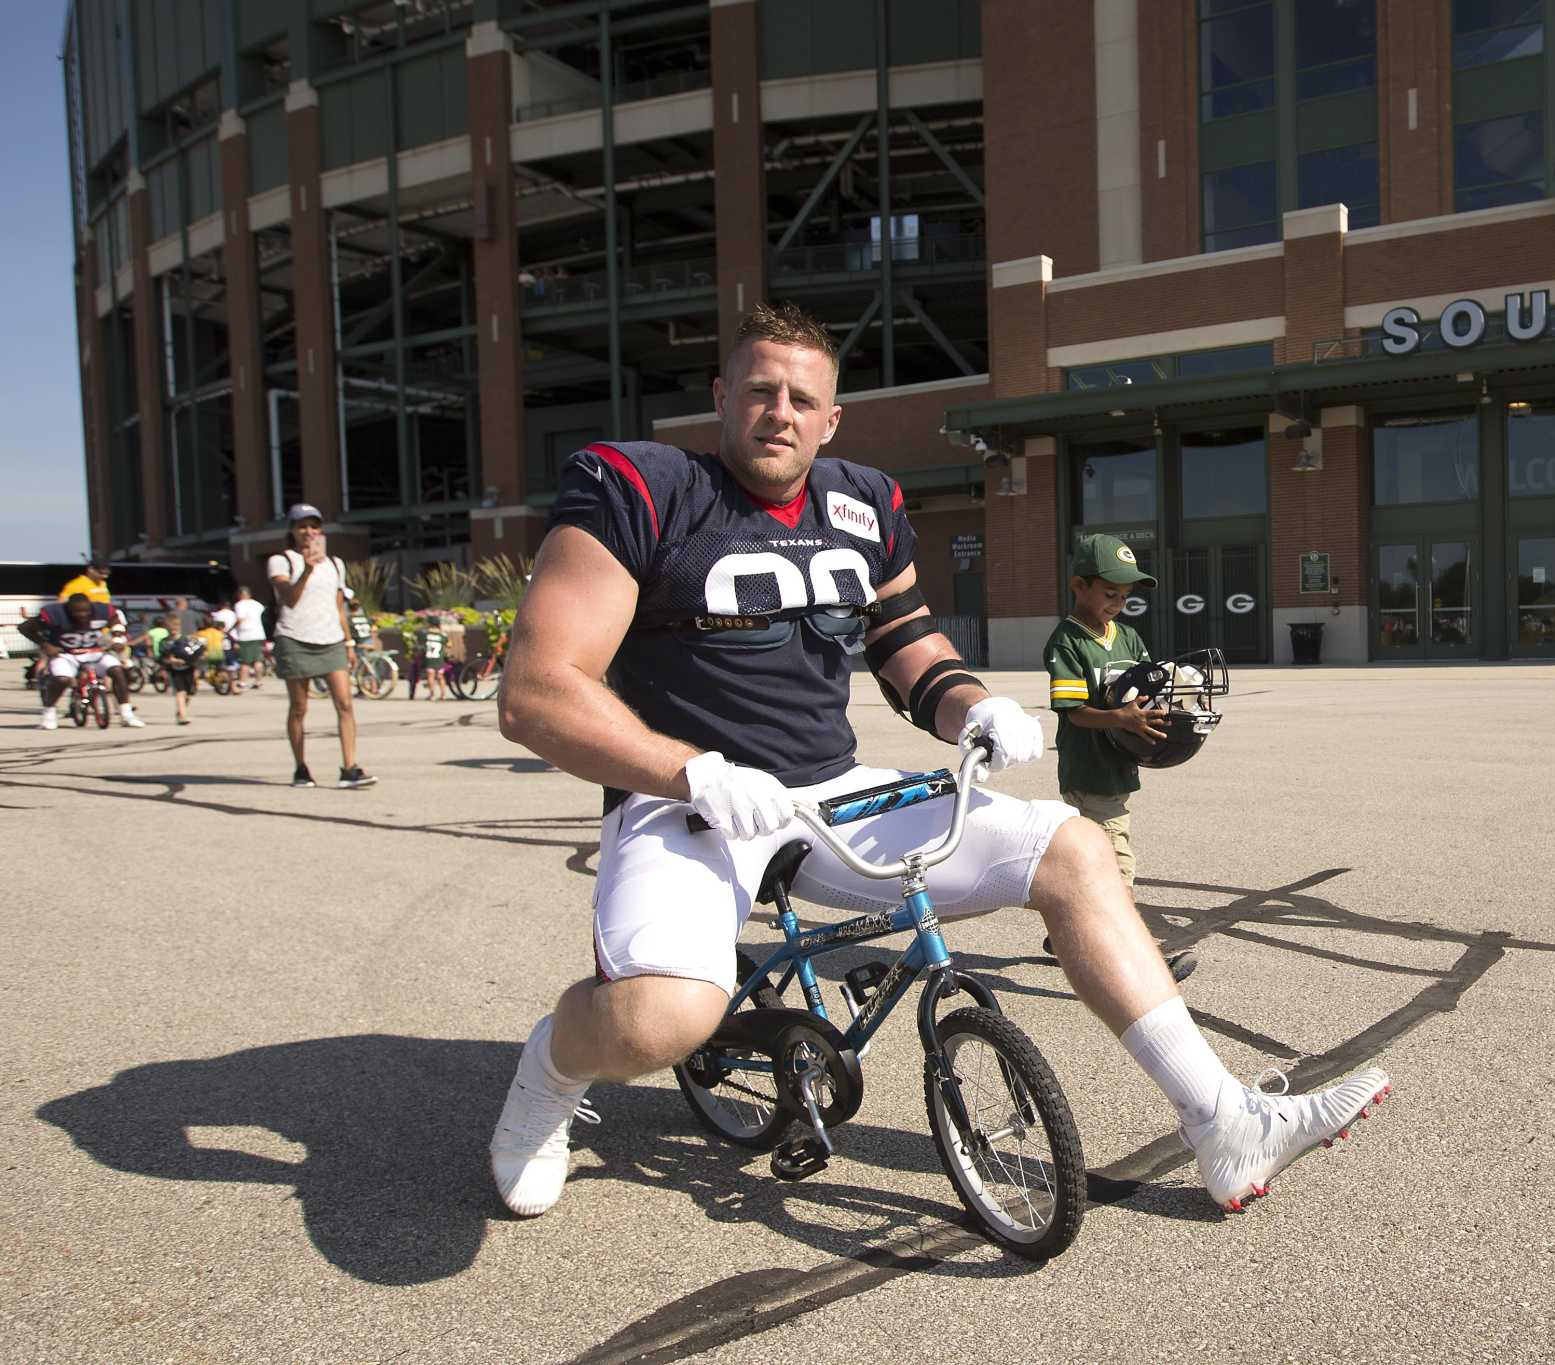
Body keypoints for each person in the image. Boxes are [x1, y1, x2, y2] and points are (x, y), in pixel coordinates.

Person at [487, 301, 1392, 1221]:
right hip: (684, 802)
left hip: (827, 792)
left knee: (1074, 849)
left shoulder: (862, 501)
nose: (780, 412)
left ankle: (1224, 1120)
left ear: (831, 419)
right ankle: (547, 1074)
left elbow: (907, 641)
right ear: (722, 395)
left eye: (804, 397)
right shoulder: (644, 487)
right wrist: (694, 771)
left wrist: (974, 707)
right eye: (759, 390)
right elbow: (537, 688)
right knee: (663, 1021)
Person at [1041, 534, 1197, 983]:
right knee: (1116, 866)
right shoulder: (1068, 642)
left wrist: (1173, 707)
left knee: (1085, 863)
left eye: (1125, 597)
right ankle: (1139, 958)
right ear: (1079, 586)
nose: (1118, 603)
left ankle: (1065, 934)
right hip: (1089, 771)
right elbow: (1072, 711)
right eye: (1110, 593)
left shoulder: (1127, 636)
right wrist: (1120, 717)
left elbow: (1149, 688)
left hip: (1116, 769)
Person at [266, 505, 376, 789]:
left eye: (314, 526)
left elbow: (339, 607)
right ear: (292, 530)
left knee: (345, 704)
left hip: (331, 640)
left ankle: (349, 768)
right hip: (294, 638)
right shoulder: (282, 561)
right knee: (300, 707)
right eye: (302, 526)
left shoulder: (335, 565)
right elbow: (289, 599)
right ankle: (301, 768)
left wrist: (349, 641)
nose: (309, 532)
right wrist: (307, 570)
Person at [26, 593, 145, 730]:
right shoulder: (54, 613)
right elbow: (26, 628)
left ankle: (127, 714)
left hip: (93, 651)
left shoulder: (101, 611)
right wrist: (45, 645)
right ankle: (48, 714)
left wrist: (117, 639)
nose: (82, 615)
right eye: (77, 611)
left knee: (117, 669)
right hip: (66, 654)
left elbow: (115, 620)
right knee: (62, 679)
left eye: (86, 611)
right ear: (68, 609)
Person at [159, 630, 205, 725]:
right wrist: (173, 661)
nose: (173, 632)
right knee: (180, 692)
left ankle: (180, 711)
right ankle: (183, 716)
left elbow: (199, 654)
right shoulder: (165, 642)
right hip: (174, 670)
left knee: (189, 694)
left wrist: (198, 666)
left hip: (189, 669)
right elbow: (164, 658)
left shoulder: (187, 640)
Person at [232, 586, 268, 686]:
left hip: (245, 635)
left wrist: (231, 628)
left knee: (245, 660)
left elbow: (240, 619)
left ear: (240, 595)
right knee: (258, 659)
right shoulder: (258, 605)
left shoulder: (239, 605)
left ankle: (243, 681)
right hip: (259, 634)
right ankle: (258, 681)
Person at [207, 601, 243, 695]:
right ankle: (233, 688)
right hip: (229, 655)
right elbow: (236, 645)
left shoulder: (215, 634)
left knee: (222, 671)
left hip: (219, 655)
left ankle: (229, 686)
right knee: (232, 672)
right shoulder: (228, 635)